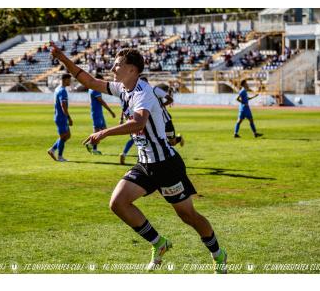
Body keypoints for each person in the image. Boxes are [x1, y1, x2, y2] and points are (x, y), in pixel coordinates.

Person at [51, 43, 227, 273]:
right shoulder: (123, 89)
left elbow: (138, 123)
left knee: (188, 216)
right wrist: (63, 58)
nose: (113, 69)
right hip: (145, 163)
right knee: (118, 203)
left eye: (117, 65)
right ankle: (159, 243)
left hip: (166, 165)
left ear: (132, 70)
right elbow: (90, 82)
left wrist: (104, 132)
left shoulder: (143, 92)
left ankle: (218, 253)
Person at [86, 74, 116, 155]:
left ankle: (90, 144)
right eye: (101, 80)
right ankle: (92, 146)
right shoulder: (95, 89)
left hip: (98, 112)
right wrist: (111, 111)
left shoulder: (92, 88)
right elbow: (101, 101)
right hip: (96, 113)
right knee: (97, 131)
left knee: (103, 130)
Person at [47, 73, 73, 162]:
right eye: (69, 80)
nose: (70, 82)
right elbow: (63, 106)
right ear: (65, 80)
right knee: (63, 137)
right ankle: (60, 156)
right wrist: (69, 118)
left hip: (59, 116)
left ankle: (52, 150)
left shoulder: (57, 89)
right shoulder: (62, 91)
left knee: (68, 135)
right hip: (61, 117)